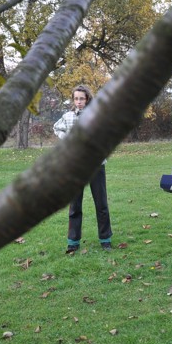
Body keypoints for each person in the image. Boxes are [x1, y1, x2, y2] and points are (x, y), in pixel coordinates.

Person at [53, 84, 113, 253]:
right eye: (76, 99)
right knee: (75, 206)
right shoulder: (68, 116)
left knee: (101, 204)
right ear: (73, 100)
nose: (79, 102)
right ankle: (73, 242)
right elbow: (56, 128)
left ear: (88, 99)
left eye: (82, 98)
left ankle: (105, 239)